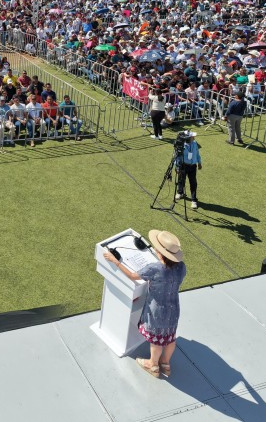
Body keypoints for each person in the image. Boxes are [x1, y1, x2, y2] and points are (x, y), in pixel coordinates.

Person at [102, 229, 187, 379]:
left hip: (157, 310)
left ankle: (152, 364)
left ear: (160, 252)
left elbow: (132, 275)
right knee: (170, 337)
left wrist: (115, 261)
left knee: (157, 340)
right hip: (174, 308)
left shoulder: (154, 268)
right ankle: (165, 364)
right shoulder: (181, 266)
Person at [174, 131, 202, 209]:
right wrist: (176, 166)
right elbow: (176, 156)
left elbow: (197, 154)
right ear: (188, 138)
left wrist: (199, 162)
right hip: (183, 165)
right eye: (192, 136)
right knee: (181, 180)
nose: (194, 137)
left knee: (193, 183)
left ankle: (194, 200)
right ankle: (180, 192)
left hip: (193, 166)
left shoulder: (195, 143)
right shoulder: (181, 145)